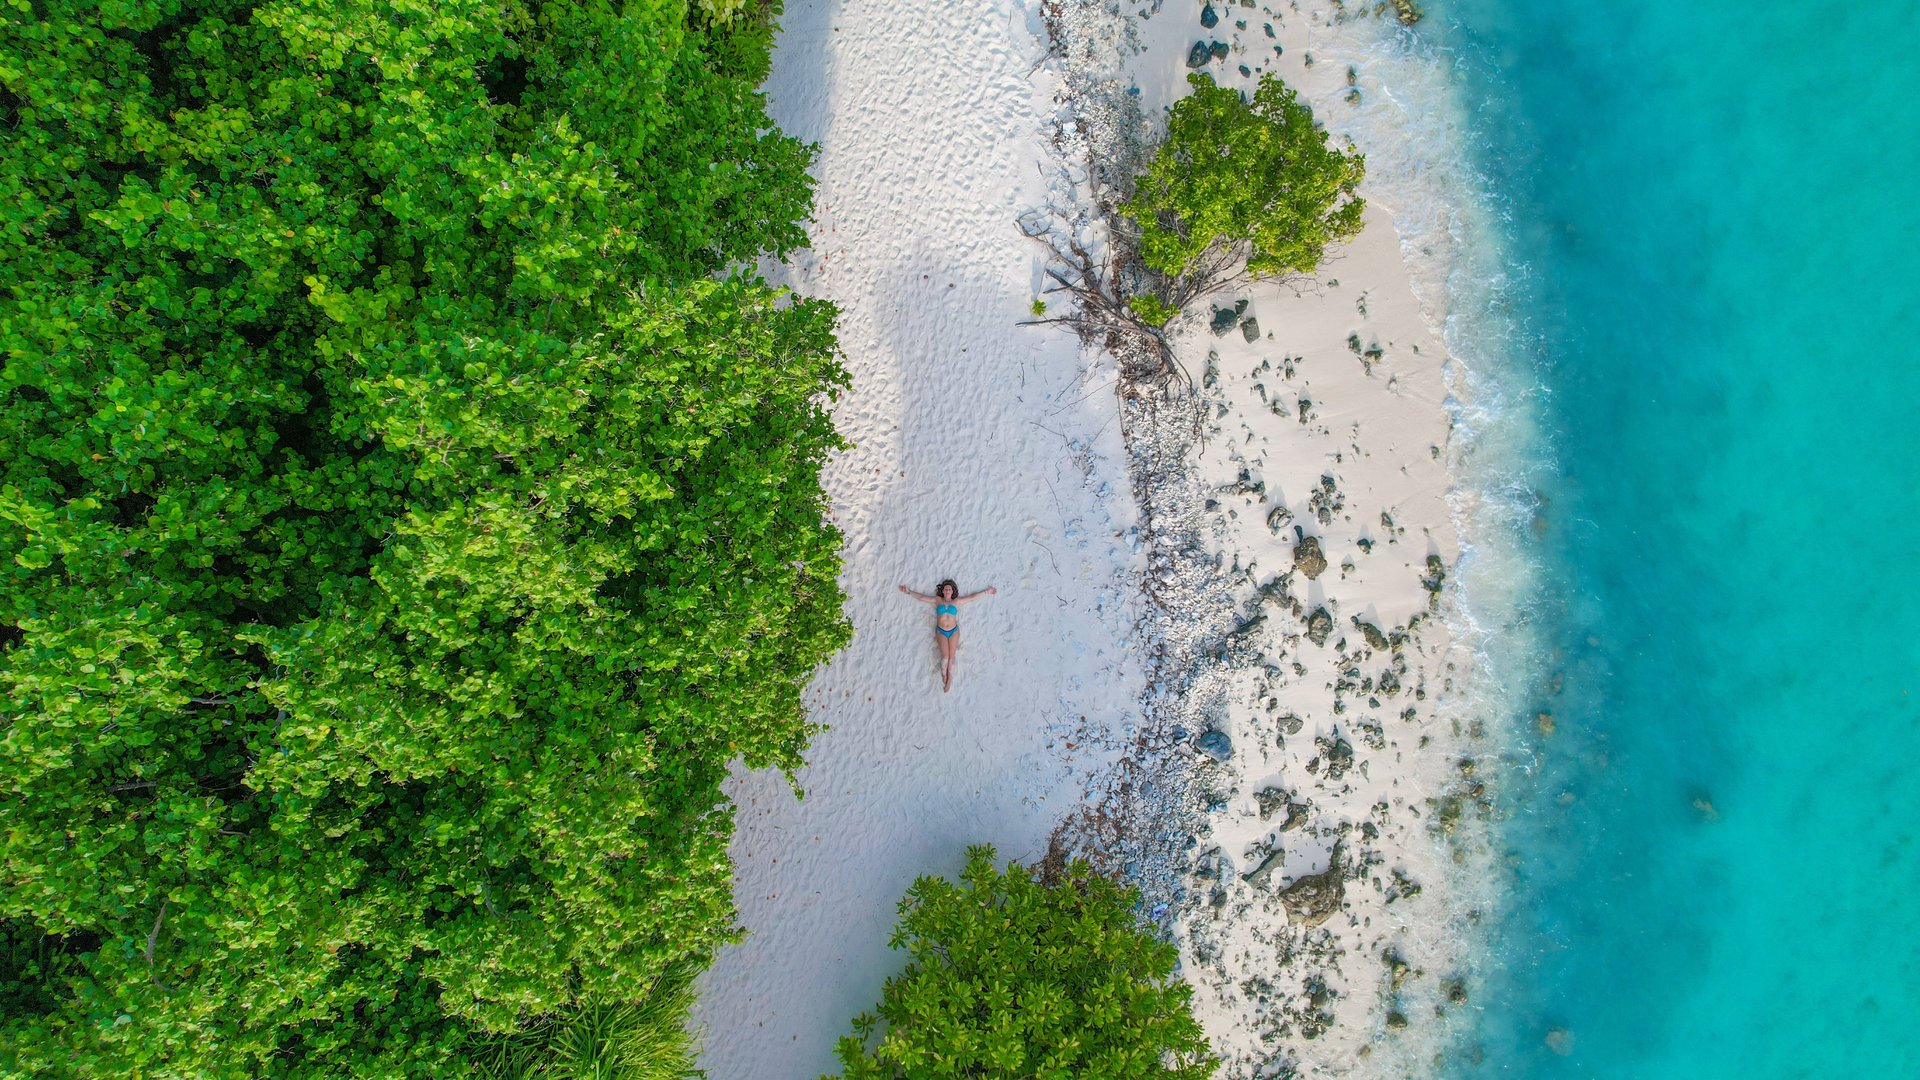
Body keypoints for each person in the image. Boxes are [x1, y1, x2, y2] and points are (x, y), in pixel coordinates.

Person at [897, 579, 997, 692]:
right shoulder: (938, 600)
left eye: (950, 589)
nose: (948, 590)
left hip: (954, 631)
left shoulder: (956, 601)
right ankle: (944, 675)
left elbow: (972, 597)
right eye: (946, 589)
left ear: (952, 591)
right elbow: (922, 597)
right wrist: (908, 591)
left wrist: (986, 592)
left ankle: (950, 680)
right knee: (945, 657)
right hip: (941, 631)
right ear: (943, 591)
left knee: (951, 658)